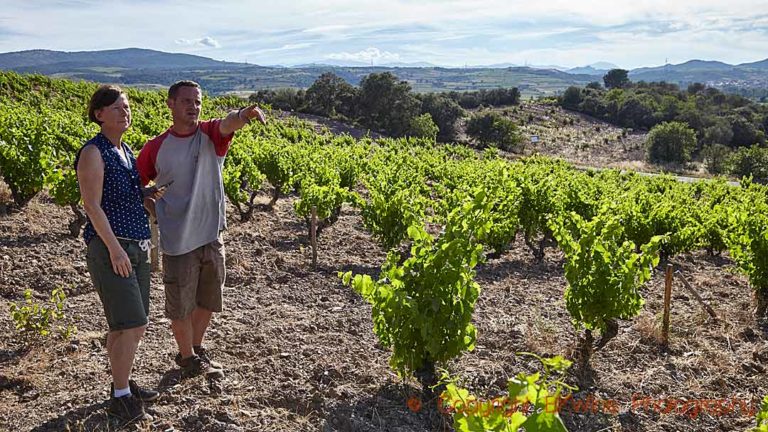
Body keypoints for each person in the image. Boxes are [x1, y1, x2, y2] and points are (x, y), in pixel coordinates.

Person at [137, 80, 266, 379]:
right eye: (186, 101)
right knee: (180, 304)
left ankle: (196, 348)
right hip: (178, 239)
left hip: (211, 234)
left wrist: (245, 114)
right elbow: (137, 183)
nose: (193, 107)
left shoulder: (209, 135)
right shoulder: (156, 147)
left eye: (197, 102)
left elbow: (228, 123)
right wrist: (153, 206)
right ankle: (186, 356)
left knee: (208, 298)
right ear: (170, 104)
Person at [75, 85, 161, 422]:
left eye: (126, 106)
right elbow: (92, 206)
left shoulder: (124, 151)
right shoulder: (94, 152)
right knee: (133, 323)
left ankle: (120, 385)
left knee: (126, 325)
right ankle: (121, 395)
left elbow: (121, 197)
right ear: (99, 114)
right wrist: (114, 249)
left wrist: (148, 194)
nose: (125, 112)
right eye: (116, 107)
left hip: (137, 245)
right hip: (115, 247)